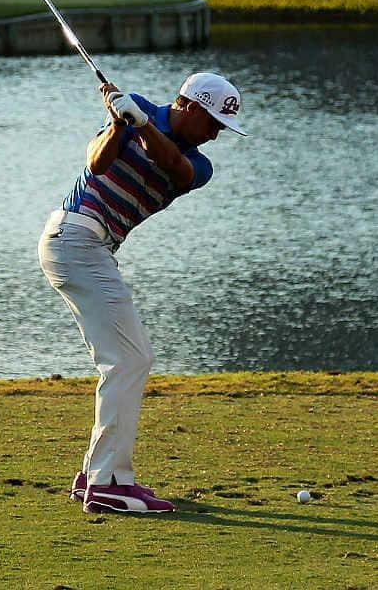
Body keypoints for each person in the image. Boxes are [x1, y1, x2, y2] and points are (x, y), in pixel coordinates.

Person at [38, 71, 247, 515]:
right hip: (75, 239)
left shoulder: (198, 165)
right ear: (189, 106)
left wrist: (141, 123)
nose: (214, 135)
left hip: (87, 246)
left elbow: (175, 166)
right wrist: (118, 123)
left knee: (125, 359)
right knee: (130, 360)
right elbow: (96, 164)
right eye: (211, 123)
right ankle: (110, 483)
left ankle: (98, 475)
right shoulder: (138, 113)